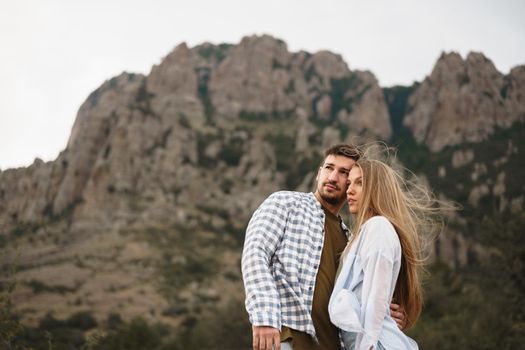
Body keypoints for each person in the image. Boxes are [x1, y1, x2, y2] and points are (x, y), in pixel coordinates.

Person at [241, 144, 406, 350]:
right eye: (329, 168)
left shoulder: (352, 240)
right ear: (319, 173)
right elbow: (255, 254)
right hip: (288, 337)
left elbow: (362, 297)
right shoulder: (285, 203)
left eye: (344, 172)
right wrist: (264, 316)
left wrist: (386, 316)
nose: (333, 176)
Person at [329, 157, 435, 350]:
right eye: (350, 183)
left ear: (376, 188)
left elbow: (375, 293)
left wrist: (368, 344)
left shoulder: (378, 227)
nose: (349, 190)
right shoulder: (365, 233)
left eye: (360, 183)